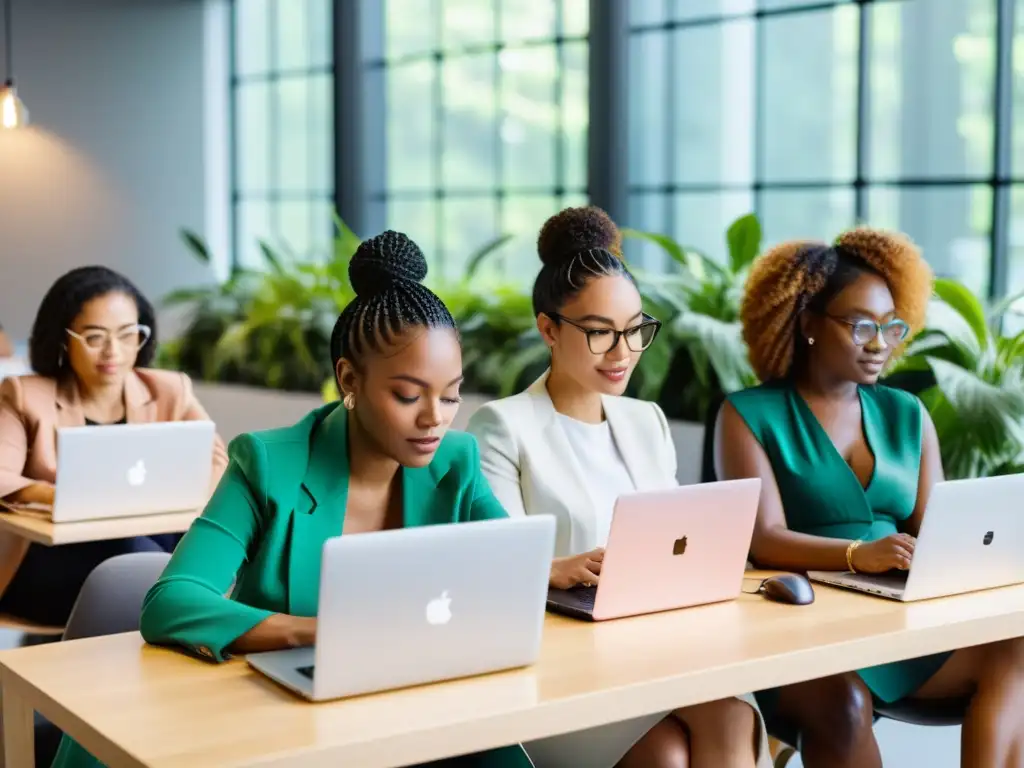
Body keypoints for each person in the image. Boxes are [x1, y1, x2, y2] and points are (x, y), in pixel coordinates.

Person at [51, 232, 535, 768]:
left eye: (450, 395)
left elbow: (506, 570)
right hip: (286, 717)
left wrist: (551, 569)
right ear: (348, 379)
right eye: (407, 395)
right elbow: (171, 601)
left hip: (412, 702)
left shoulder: (456, 462)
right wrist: (312, 631)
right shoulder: (268, 463)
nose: (435, 419)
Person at [468, 206, 771, 768]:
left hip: (662, 649)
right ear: (548, 329)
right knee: (667, 755)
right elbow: (494, 568)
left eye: (636, 330)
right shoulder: (502, 426)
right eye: (601, 333)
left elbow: (680, 544)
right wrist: (551, 569)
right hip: (564, 669)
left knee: (731, 716)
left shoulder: (645, 421)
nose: (624, 352)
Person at [715, 228, 1024, 768]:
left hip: (898, 617)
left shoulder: (907, 413)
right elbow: (764, 540)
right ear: (808, 324)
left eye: (890, 325)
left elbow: (941, 529)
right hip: (802, 623)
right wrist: (860, 555)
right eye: (861, 326)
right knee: (846, 705)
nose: (881, 343)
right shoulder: (747, 414)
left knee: (1018, 654)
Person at [0, 266, 227, 628]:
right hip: (44, 565)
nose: (114, 352)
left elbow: (217, 460)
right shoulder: (24, 395)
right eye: (94, 337)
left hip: (151, 547)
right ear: (63, 339)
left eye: (128, 335)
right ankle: (192, 616)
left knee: (172, 550)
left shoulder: (170, 390)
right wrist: (58, 495)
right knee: (137, 556)